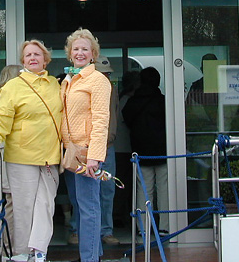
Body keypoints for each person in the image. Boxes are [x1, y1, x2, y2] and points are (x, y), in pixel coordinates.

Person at [0, 41, 62, 262]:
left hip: (50, 157)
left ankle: (38, 252)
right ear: (23, 61)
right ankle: (22, 254)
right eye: (28, 55)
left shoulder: (56, 85)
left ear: (45, 60)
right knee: (24, 209)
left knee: (46, 206)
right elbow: (1, 117)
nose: (33, 58)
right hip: (21, 157)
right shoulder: (12, 87)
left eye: (37, 54)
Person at [61, 28, 111, 262]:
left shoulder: (98, 80)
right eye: (76, 49)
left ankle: (89, 258)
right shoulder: (69, 80)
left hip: (87, 153)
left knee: (89, 207)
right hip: (71, 153)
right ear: (70, 53)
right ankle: (92, 254)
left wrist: (94, 156)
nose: (80, 53)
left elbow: (101, 120)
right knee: (79, 206)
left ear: (93, 54)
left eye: (85, 49)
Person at [68, 56, 121, 246]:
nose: (105, 76)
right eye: (102, 72)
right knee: (80, 194)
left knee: (107, 191)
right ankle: (77, 230)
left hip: (107, 146)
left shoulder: (111, 89)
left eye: (108, 74)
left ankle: (106, 231)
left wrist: (109, 138)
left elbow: (112, 117)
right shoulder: (77, 84)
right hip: (82, 148)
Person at [122, 66, 169, 234]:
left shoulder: (133, 102)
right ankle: (165, 226)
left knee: (143, 189)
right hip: (164, 150)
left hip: (140, 150)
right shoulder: (164, 101)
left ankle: (143, 227)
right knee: (164, 188)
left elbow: (126, 120)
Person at [0, 64, 23, 254]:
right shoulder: (10, 99)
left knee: (12, 204)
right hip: (13, 158)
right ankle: (9, 249)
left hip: (10, 158)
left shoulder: (3, 97)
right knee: (13, 205)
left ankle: (9, 248)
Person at [115, 71, 140, 225]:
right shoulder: (127, 101)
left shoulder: (120, 98)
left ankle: (120, 213)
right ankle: (118, 215)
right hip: (123, 147)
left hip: (121, 147)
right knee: (123, 183)